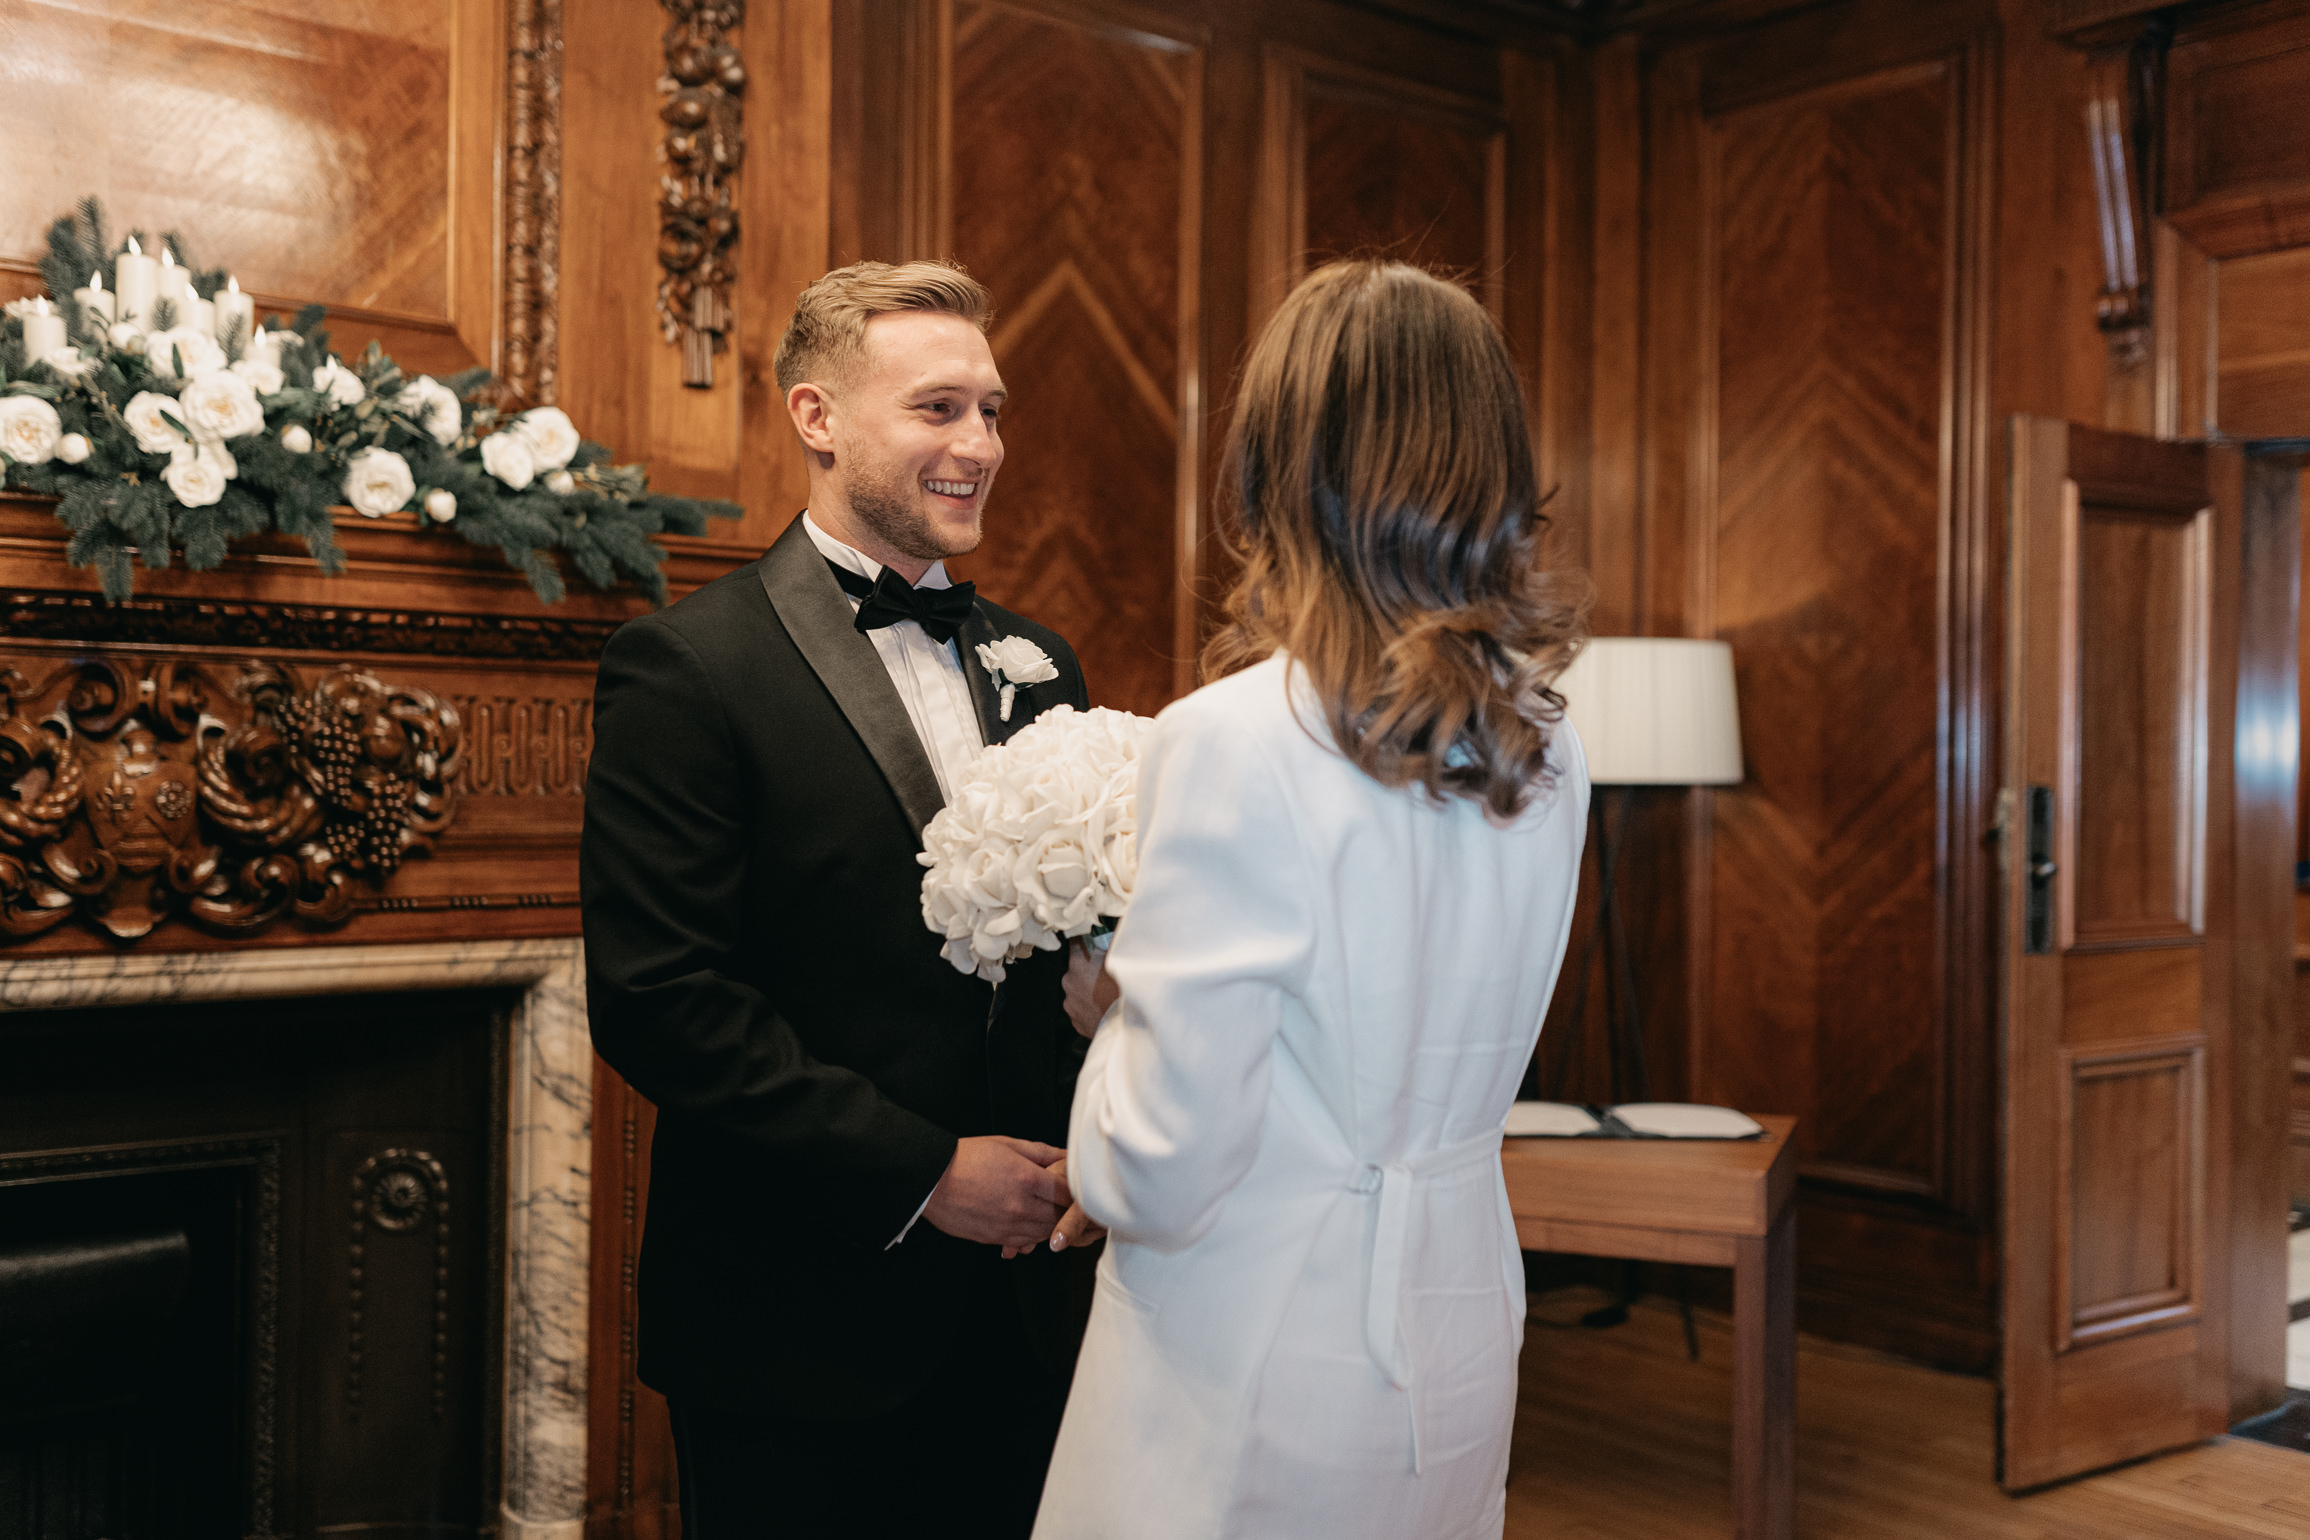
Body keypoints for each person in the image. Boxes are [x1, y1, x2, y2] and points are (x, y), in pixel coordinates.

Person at [1033, 260, 1592, 1540]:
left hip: (1251, 1340)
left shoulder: (1235, 738)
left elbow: (1161, 1172)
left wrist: (1108, 1016)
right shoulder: (1548, 743)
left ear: (1283, 464)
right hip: (1458, 1307)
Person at [581, 260, 1096, 1539]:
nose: (978, 442)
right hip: (801, 1320)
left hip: (1033, 1306)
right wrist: (927, 1175)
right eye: (937, 409)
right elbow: (663, 1003)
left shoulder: (1044, 666)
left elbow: (1069, 959)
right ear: (818, 418)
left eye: (991, 409)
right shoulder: (688, 667)